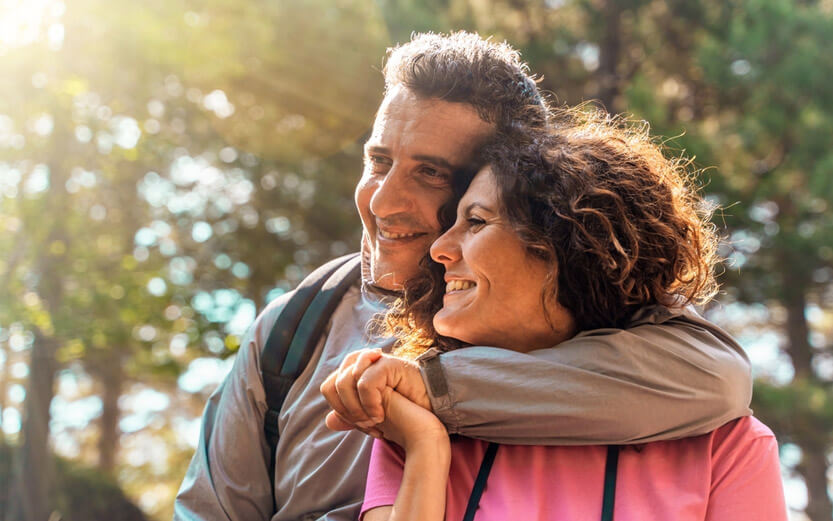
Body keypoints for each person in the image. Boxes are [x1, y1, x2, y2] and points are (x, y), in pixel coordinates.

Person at [175, 32, 752, 521]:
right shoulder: (296, 326)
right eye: (378, 162)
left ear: (505, 181)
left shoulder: (591, 319)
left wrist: (428, 387)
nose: (383, 202)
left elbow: (719, 380)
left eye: (430, 173)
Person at [350, 113, 787, 521]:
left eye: (477, 222)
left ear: (573, 246)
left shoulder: (726, 446)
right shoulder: (411, 420)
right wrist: (425, 447)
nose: (439, 249)